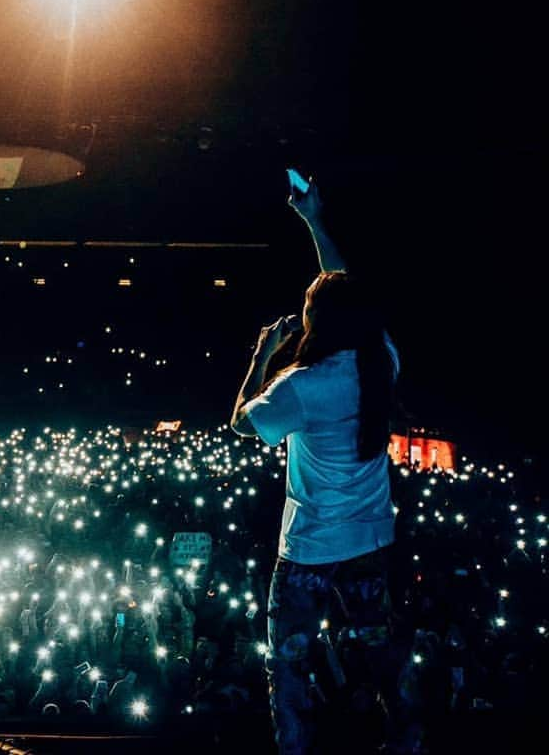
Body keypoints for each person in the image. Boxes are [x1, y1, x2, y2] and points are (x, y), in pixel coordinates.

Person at [229, 174, 411, 754]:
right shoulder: (379, 361)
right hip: (369, 541)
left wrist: (261, 357)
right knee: (383, 656)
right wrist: (314, 219)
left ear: (315, 324)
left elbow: (240, 422)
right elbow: (345, 288)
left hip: (309, 548)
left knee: (289, 667)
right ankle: (407, 742)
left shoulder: (301, 386)